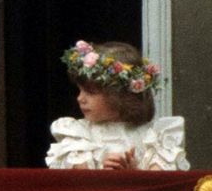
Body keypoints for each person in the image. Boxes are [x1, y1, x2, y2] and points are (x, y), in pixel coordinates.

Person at [46, 40, 188, 170]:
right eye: (80, 90)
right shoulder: (78, 135)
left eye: (90, 92)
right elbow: (75, 183)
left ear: (119, 96)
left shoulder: (154, 138)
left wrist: (134, 174)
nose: (80, 98)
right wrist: (100, 169)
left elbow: (159, 189)